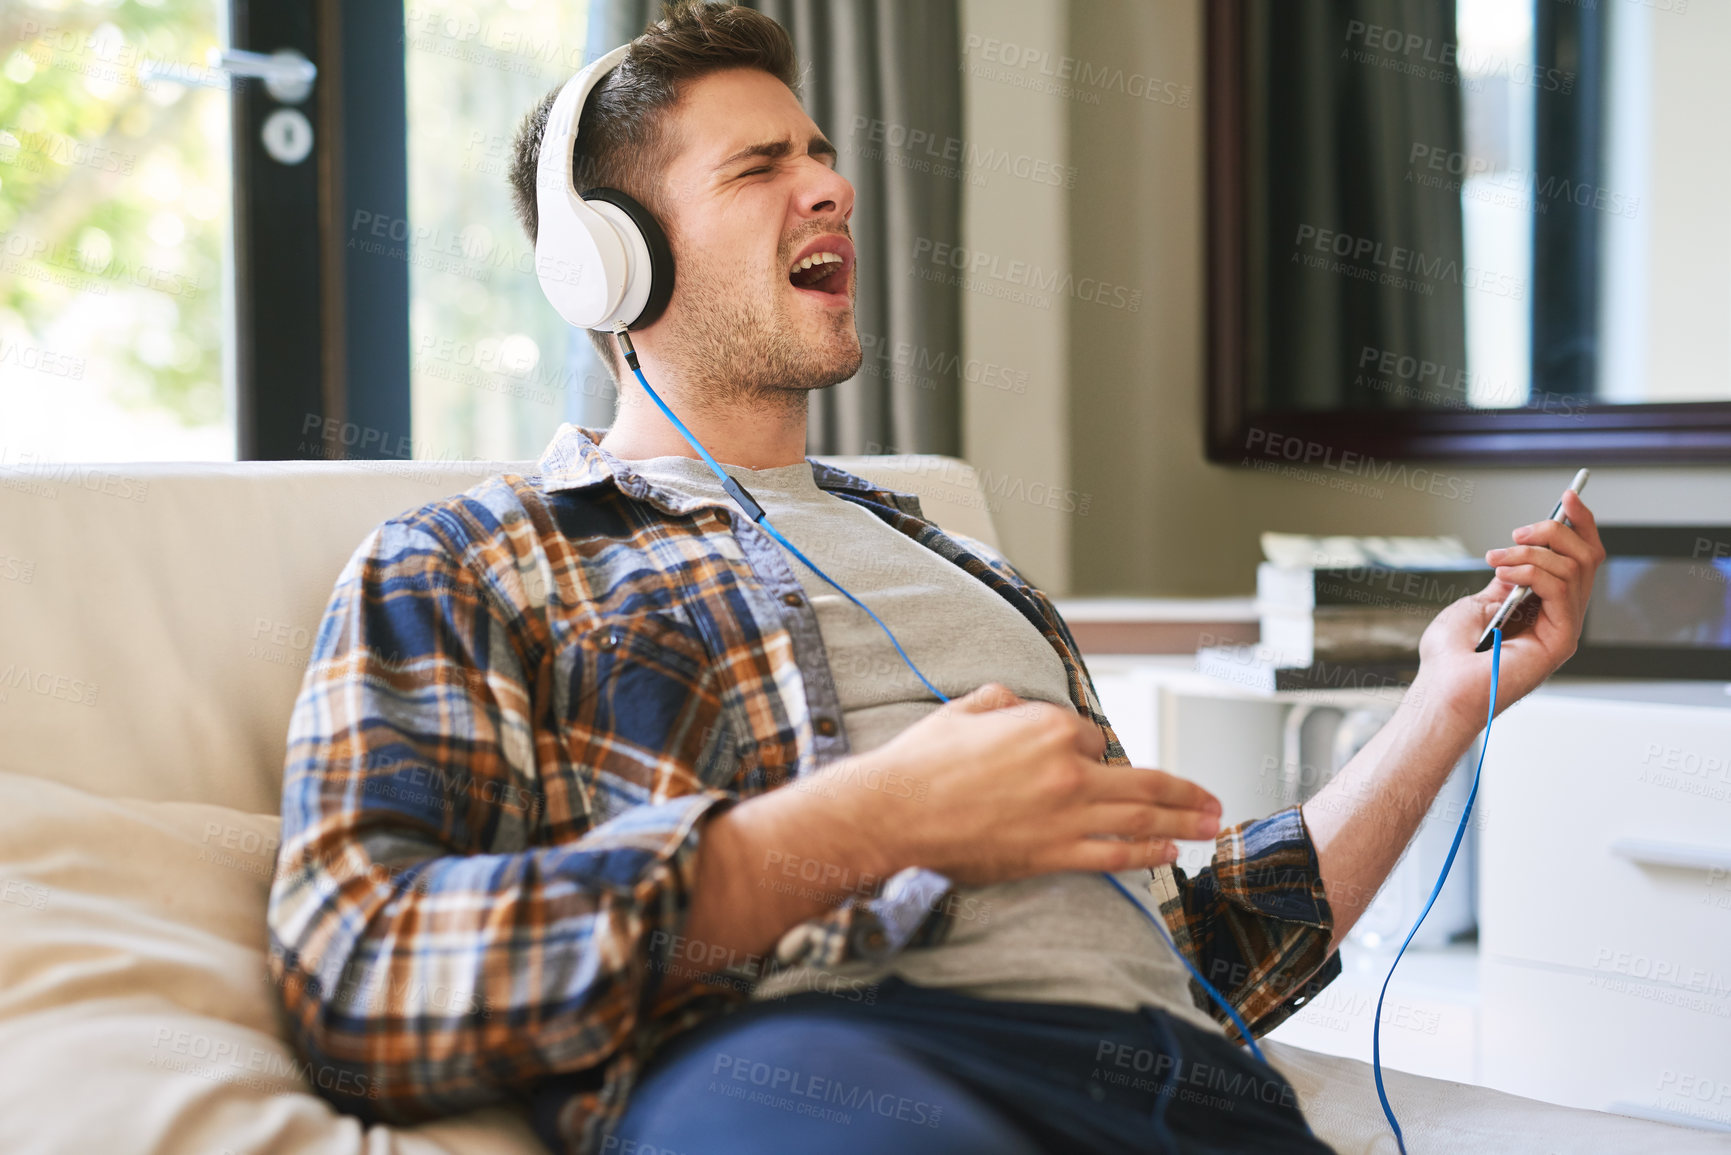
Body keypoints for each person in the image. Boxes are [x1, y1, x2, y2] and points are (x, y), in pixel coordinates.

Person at [265, 4, 1605, 1153]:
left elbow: (1195, 955)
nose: (833, 190)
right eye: (759, 168)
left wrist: (1444, 701)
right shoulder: (478, 559)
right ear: (608, 260)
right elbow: (359, 968)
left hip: (1182, 1086)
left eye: (826, 158)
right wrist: (865, 824)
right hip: (824, 1060)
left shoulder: (962, 565)